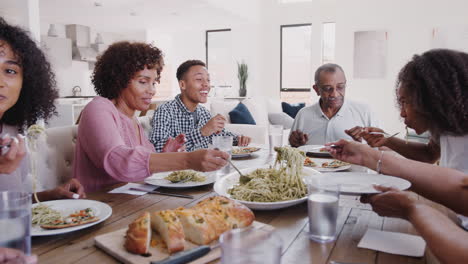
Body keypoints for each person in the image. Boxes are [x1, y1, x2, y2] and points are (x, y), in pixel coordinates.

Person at [326, 49, 468, 263]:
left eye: (405, 102)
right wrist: (383, 145)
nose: (402, 113)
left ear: (432, 99)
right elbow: (432, 158)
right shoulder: (449, 126)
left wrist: (411, 209)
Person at [73, 43, 229, 192]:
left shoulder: (133, 119)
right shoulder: (98, 109)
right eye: (143, 82)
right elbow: (118, 162)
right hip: (98, 207)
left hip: (131, 201)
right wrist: (186, 159)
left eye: (154, 83)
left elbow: (142, 167)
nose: (152, 90)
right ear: (118, 80)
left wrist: (166, 154)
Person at [0, 18, 85, 201]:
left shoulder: (11, 130)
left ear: (26, 81)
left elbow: (11, 201)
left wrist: (50, 195)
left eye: (10, 71)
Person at [149, 60, 251, 152]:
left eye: (208, 80)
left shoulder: (203, 112)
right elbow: (157, 148)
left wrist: (238, 139)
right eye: (199, 79)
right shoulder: (165, 111)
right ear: (182, 85)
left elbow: (219, 135)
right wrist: (202, 132)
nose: (206, 84)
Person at [289, 63, 378, 147]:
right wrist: (295, 145)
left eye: (340, 87)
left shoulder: (364, 112)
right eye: (327, 89)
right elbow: (291, 151)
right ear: (316, 89)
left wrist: (364, 141)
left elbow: (380, 151)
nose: (334, 94)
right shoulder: (303, 115)